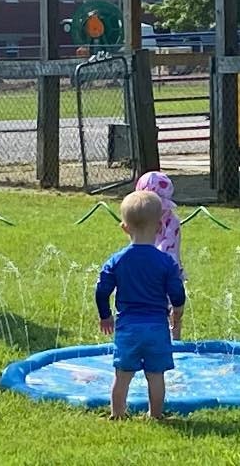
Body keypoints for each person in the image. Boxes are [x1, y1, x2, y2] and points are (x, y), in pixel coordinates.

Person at [95, 190, 186, 420]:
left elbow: (102, 290)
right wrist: (177, 315)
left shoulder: (117, 260)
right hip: (156, 328)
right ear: (158, 227)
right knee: (156, 375)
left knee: (122, 374)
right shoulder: (165, 261)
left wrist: (105, 315)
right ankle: (155, 415)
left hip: (128, 328)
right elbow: (177, 294)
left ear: (124, 227)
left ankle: (117, 414)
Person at [135, 171, 186, 340]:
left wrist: (148, 260)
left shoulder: (172, 222)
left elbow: (167, 248)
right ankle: (153, 338)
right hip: (148, 269)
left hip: (169, 271)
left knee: (175, 308)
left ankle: (175, 340)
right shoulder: (142, 220)